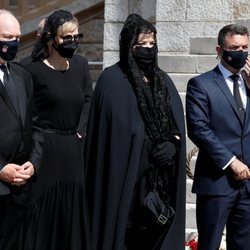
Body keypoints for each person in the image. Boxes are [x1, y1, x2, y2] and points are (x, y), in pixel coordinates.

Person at [84, 13, 186, 250]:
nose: (148, 49)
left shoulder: (162, 80)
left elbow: (175, 125)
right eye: (141, 45)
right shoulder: (112, 80)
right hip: (127, 183)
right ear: (128, 45)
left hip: (160, 184)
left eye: (152, 44)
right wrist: (144, 146)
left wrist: (173, 142)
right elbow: (112, 134)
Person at [2, 9, 93, 250]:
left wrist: (80, 131)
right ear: (51, 38)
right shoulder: (30, 70)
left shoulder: (81, 65)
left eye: (77, 36)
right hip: (44, 153)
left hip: (72, 150)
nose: (73, 42)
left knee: (70, 216)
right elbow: (30, 118)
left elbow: (87, 100)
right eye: (67, 37)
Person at [186, 24, 250, 250]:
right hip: (216, 182)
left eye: (245, 47)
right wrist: (231, 162)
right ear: (220, 50)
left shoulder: (248, 84)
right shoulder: (201, 85)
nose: (241, 52)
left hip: (247, 185)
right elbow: (199, 129)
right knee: (210, 244)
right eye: (234, 47)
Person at [0, 8, 43, 246]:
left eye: (17, 38)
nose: (14, 43)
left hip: (20, 190)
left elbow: (35, 126)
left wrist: (33, 163)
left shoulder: (22, 76)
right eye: (8, 38)